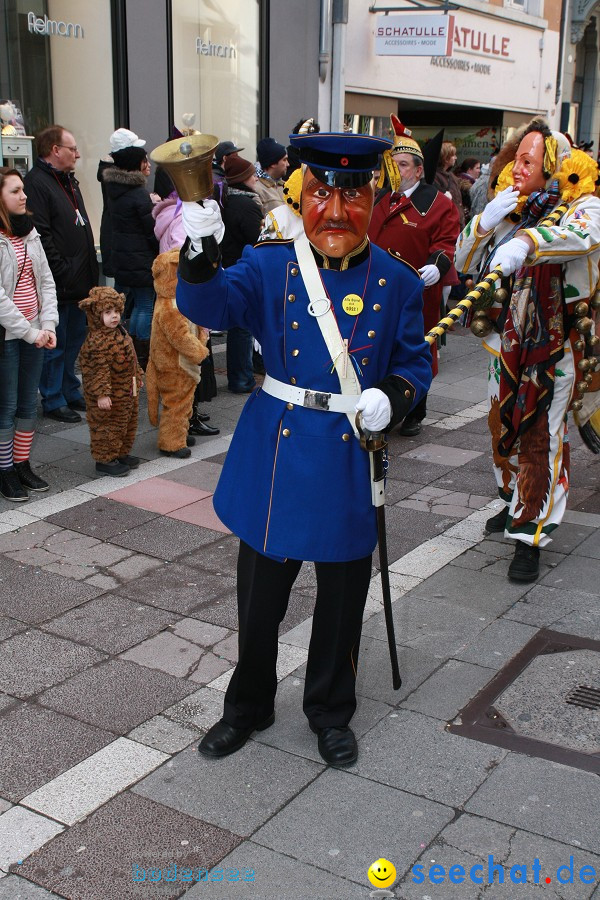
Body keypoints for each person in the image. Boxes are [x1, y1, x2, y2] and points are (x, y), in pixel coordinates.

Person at [177, 131, 432, 767]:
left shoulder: (396, 281)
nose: (337, 213)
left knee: (343, 603)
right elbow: (207, 305)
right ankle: (248, 707)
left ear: (374, 199)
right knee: (260, 602)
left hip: (348, 454)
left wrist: (395, 399)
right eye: (322, 195)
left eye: (352, 196)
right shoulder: (270, 264)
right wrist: (201, 241)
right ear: (303, 195)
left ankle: (329, 710)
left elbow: (414, 361)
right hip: (276, 453)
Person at [455, 117, 600, 582]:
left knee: (543, 435)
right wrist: (487, 221)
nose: (516, 168)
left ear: (552, 165)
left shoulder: (584, 207)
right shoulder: (510, 208)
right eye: (514, 159)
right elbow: (463, 260)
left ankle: (530, 533)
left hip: (555, 350)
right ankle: (511, 500)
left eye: (527, 161)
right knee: (502, 427)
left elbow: (581, 239)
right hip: (505, 345)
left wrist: (527, 243)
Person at [368, 116, 461, 435]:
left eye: (404, 164)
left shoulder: (438, 205)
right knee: (378, 347)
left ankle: (415, 410)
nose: (397, 170)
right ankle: (382, 404)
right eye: (393, 164)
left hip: (416, 293)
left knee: (416, 347)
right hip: (375, 291)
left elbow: (448, 242)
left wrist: (438, 265)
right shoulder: (379, 198)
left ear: (419, 170)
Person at [24, 125, 98, 423]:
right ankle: (53, 397)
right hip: (60, 281)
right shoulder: (37, 183)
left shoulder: (67, 181)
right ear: (55, 150)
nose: (77, 154)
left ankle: (70, 389)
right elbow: (42, 235)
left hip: (78, 280)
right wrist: (63, 271)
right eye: (72, 148)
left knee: (74, 341)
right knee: (56, 343)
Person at [0, 168, 58, 501]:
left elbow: (46, 281)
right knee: (6, 405)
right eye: (15, 191)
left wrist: (47, 326)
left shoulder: (29, 232)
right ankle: (5, 469)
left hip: (36, 331)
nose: (24, 196)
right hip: (9, 336)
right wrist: (28, 332)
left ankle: (22, 464)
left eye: (23, 190)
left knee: (27, 403)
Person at [103, 129, 159, 371]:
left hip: (124, 257)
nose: (148, 164)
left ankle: (129, 352)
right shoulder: (137, 193)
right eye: (144, 160)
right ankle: (140, 356)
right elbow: (150, 229)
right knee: (145, 305)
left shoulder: (114, 188)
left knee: (132, 306)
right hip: (140, 258)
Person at [78, 286, 143, 477]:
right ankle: (105, 459)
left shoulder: (120, 332)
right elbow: (96, 371)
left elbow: (133, 358)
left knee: (127, 423)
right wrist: (102, 394)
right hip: (109, 395)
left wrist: (137, 376)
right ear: (96, 314)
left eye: (116, 311)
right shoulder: (96, 341)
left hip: (126, 390)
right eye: (108, 312)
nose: (114, 316)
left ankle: (121, 453)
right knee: (107, 426)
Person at [222, 155, 263, 394]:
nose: (256, 177)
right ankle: (241, 378)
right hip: (244, 269)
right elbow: (257, 240)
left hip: (232, 266)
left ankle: (240, 376)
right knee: (242, 327)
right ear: (242, 179)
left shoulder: (228, 201)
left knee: (238, 326)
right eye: (251, 174)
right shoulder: (246, 205)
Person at [434, 141, 465, 229]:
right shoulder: (436, 178)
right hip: (448, 225)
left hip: (457, 222)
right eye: (453, 155)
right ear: (445, 157)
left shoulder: (451, 175)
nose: (456, 158)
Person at [254, 138, 288, 214]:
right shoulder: (257, 189)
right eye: (284, 160)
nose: (288, 164)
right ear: (272, 163)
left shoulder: (286, 186)